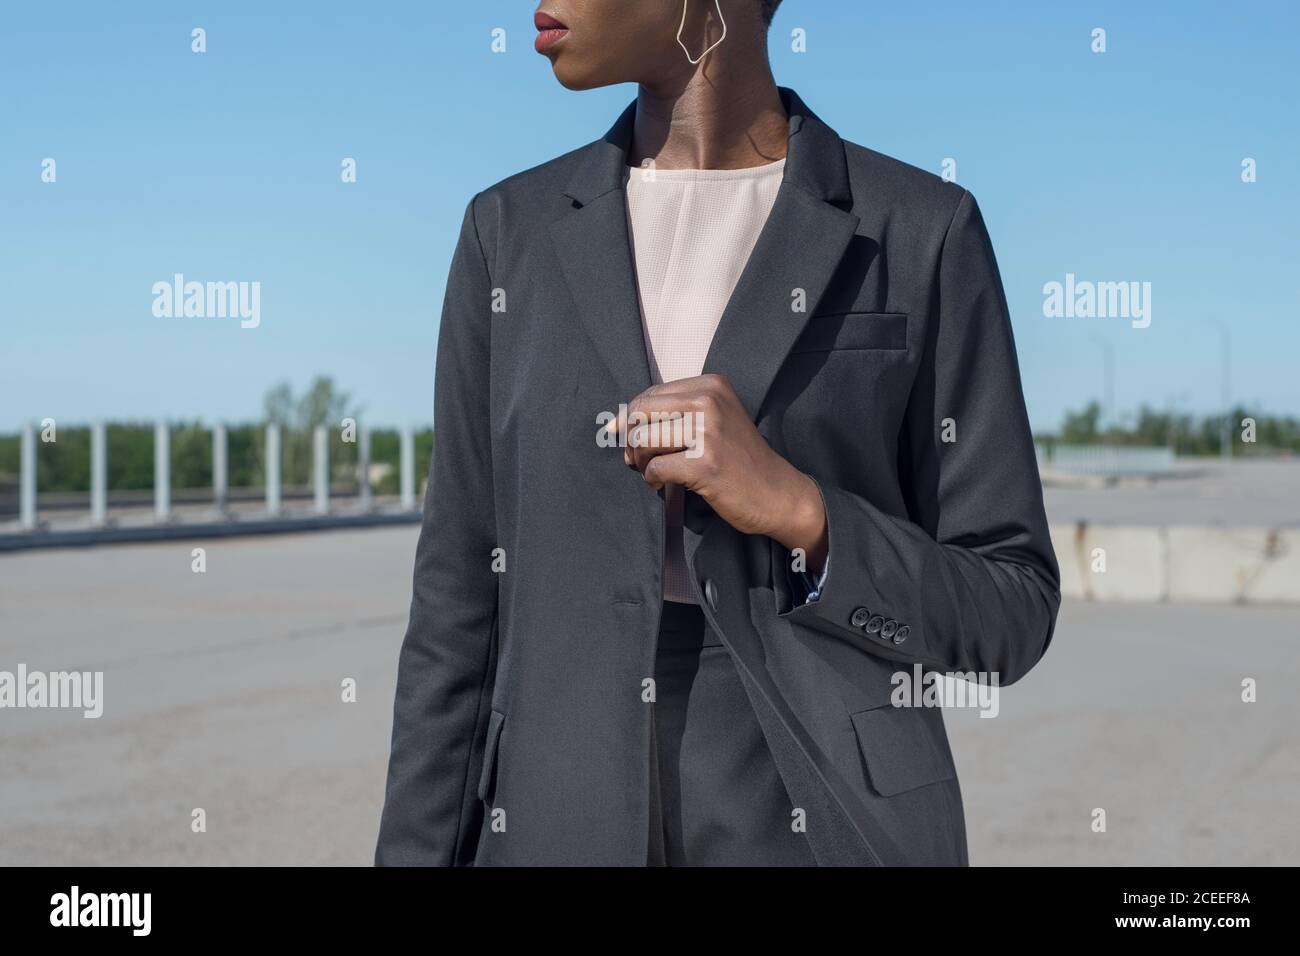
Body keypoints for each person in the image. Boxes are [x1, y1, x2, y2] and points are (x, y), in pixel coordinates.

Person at [376, 0, 1060, 867]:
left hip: (821, 810)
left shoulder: (919, 230)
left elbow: (1013, 612)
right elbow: (454, 611)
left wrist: (805, 512)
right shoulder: (508, 233)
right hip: (553, 807)